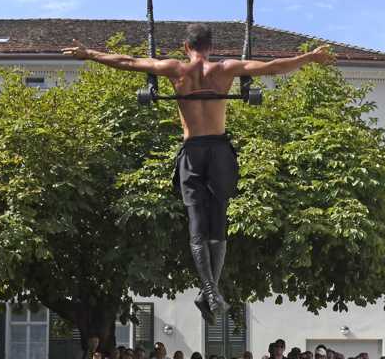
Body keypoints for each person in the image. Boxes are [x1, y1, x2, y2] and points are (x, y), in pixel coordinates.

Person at [65, 29, 331, 321]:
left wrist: (89, 53)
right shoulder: (226, 68)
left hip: (192, 150)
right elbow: (273, 67)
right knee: (218, 222)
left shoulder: (175, 68)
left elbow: (127, 61)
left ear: (185, 45)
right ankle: (210, 292)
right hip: (219, 150)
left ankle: (210, 291)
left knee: (197, 224)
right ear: (211, 46)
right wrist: (310, 57)